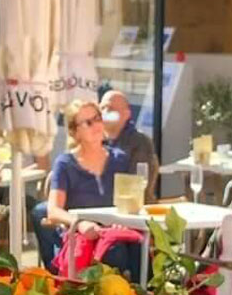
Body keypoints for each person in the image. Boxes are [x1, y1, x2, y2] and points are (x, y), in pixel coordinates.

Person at [30, 99, 139, 275]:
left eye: (97, 118)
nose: (96, 125)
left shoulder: (120, 159)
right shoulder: (65, 164)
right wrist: (79, 224)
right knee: (115, 254)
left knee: (139, 246)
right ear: (75, 132)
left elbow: (131, 201)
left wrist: (123, 221)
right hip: (82, 236)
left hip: (114, 232)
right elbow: (53, 210)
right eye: (88, 122)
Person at [100, 89, 157, 198]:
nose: (105, 113)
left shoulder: (139, 142)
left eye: (110, 109)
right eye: (102, 108)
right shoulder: (93, 140)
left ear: (126, 114)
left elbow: (137, 183)